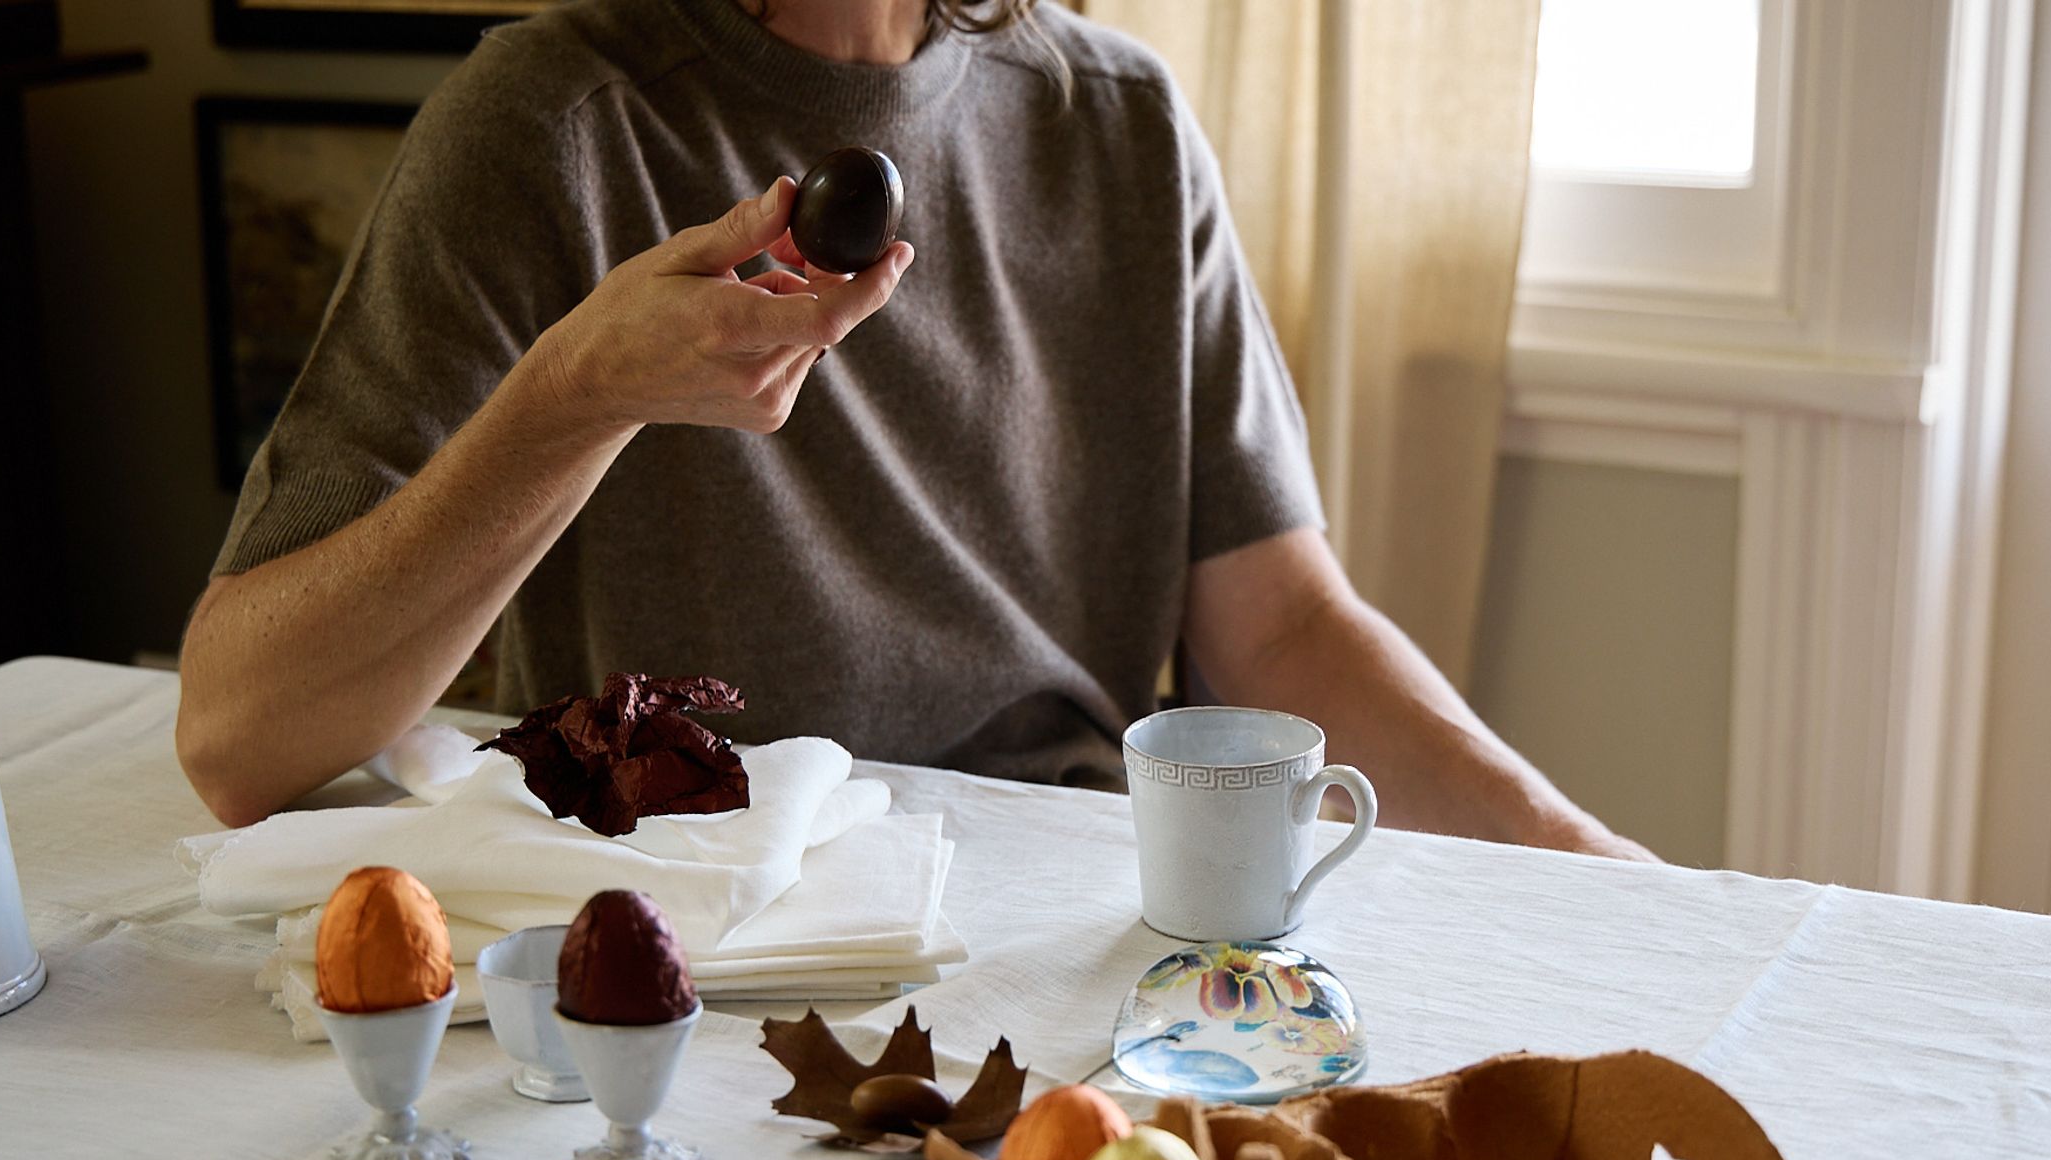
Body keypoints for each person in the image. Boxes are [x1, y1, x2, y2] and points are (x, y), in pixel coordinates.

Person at [176, 0, 1649, 862]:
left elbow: (1280, 634)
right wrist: (574, 400)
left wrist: (1591, 863)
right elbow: (241, 738)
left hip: (1074, 905)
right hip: (707, 926)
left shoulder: (1119, 121)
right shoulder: (548, 127)